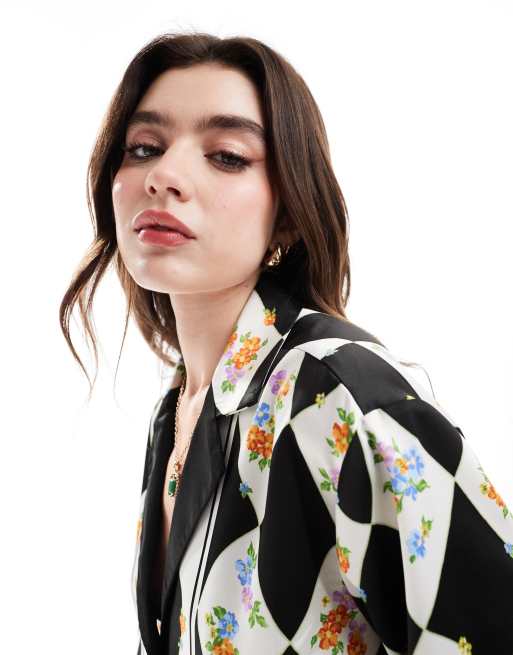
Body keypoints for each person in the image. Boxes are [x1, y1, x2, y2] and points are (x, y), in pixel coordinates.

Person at [59, 31, 513, 655]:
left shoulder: (339, 392)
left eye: (226, 155)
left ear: (290, 215)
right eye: (143, 147)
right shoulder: (180, 408)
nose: (163, 176)